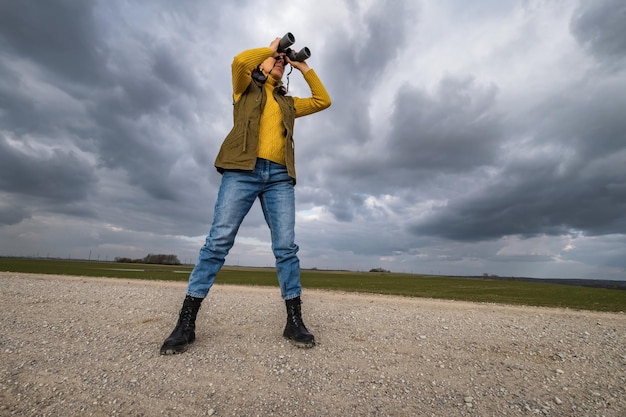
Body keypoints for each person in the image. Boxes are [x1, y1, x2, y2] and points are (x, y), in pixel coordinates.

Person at [160, 36, 331, 355]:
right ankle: (186, 323)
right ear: (261, 64)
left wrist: (302, 66)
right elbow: (239, 62)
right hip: (242, 169)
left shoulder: (288, 103)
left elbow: (323, 100)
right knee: (218, 242)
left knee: (286, 248)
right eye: (275, 60)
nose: (280, 61)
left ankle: (294, 320)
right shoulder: (245, 88)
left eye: (283, 60)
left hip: (279, 176)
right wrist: (272, 50)